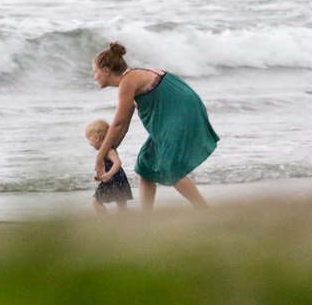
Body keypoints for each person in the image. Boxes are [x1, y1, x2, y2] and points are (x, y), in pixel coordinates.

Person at [91, 42, 218, 210]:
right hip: (175, 114)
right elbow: (123, 127)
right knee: (145, 166)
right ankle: (147, 217)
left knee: (171, 168)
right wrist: (110, 151)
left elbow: (117, 124)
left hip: (182, 113)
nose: (94, 77)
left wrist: (100, 155)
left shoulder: (128, 81)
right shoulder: (130, 80)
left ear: (106, 71)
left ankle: (205, 210)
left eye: (95, 73)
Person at [85, 119, 133, 213]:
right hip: (117, 179)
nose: (89, 143)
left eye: (89, 139)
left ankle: (105, 221)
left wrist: (109, 174)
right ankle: (125, 221)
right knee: (121, 204)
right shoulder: (105, 151)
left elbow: (118, 162)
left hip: (115, 180)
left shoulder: (109, 150)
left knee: (96, 201)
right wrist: (100, 176)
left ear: (96, 137)